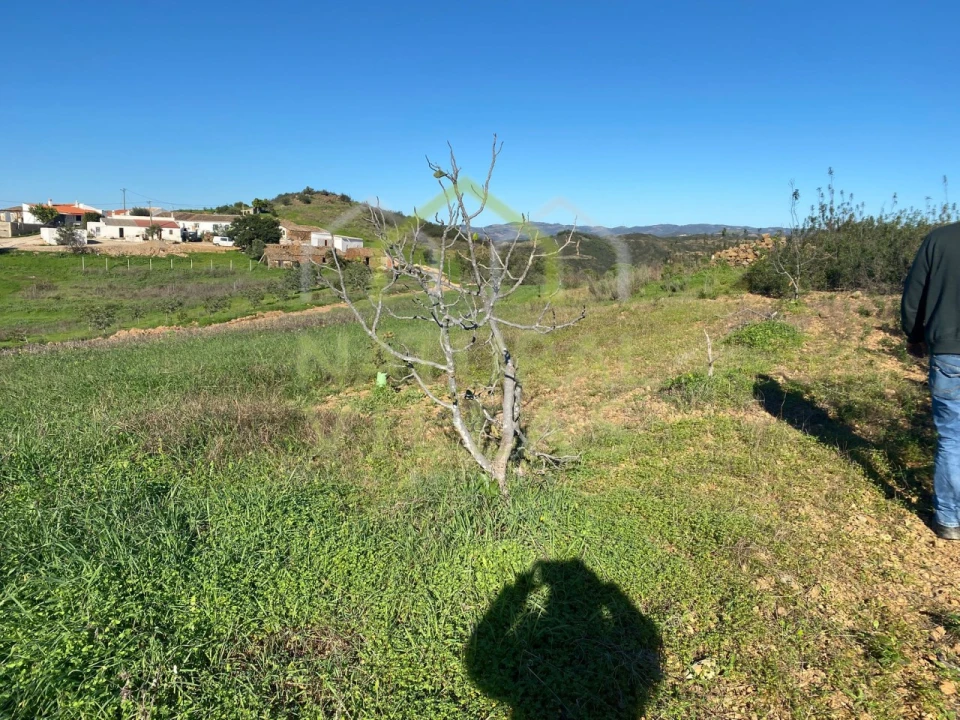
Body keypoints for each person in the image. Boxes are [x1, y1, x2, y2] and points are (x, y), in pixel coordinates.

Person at [902, 222, 960, 540]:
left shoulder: (939, 238)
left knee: (953, 439)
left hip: (949, 353)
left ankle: (949, 520)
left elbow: (914, 294)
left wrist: (914, 335)